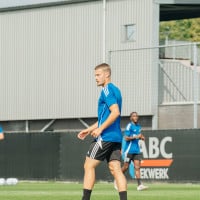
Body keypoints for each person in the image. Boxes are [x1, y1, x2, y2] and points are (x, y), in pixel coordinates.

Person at [77, 63, 128, 200]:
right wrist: (89, 129)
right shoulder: (116, 90)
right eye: (95, 75)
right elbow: (106, 117)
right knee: (116, 169)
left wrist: (100, 129)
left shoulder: (106, 90)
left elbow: (115, 112)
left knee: (88, 165)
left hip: (106, 137)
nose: (96, 78)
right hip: (116, 137)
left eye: (98, 75)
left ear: (107, 74)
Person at [119, 112, 148, 191]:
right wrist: (136, 137)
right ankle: (117, 178)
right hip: (129, 150)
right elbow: (126, 138)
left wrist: (141, 137)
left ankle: (139, 185)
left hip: (136, 150)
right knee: (126, 167)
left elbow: (139, 135)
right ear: (131, 118)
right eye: (134, 116)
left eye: (136, 116)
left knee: (137, 167)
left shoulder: (138, 126)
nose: (135, 117)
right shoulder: (129, 126)